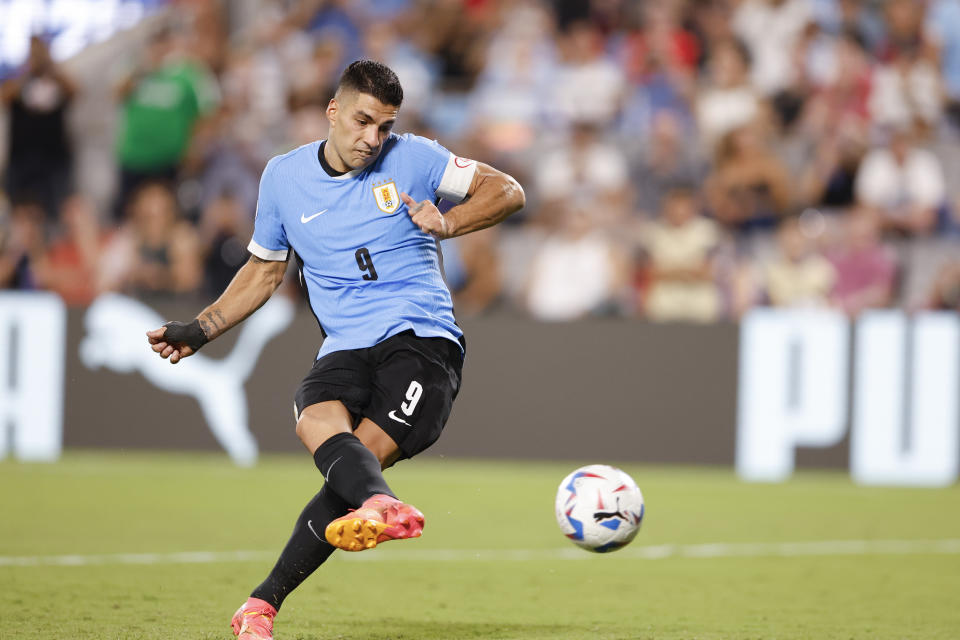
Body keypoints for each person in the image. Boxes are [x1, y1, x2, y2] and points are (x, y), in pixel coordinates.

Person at [145, 60, 524, 640]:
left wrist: (449, 224)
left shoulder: (416, 158)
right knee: (315, 420)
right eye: (363, 121)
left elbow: (508, 190)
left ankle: (271, 597)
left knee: (357, 466)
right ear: (333, 111)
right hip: (346, 344)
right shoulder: (282, 177)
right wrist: (201, 328)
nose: (373, 139)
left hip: (422, 341)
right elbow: (265, 270)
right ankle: (356, 526)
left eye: (384, 126)